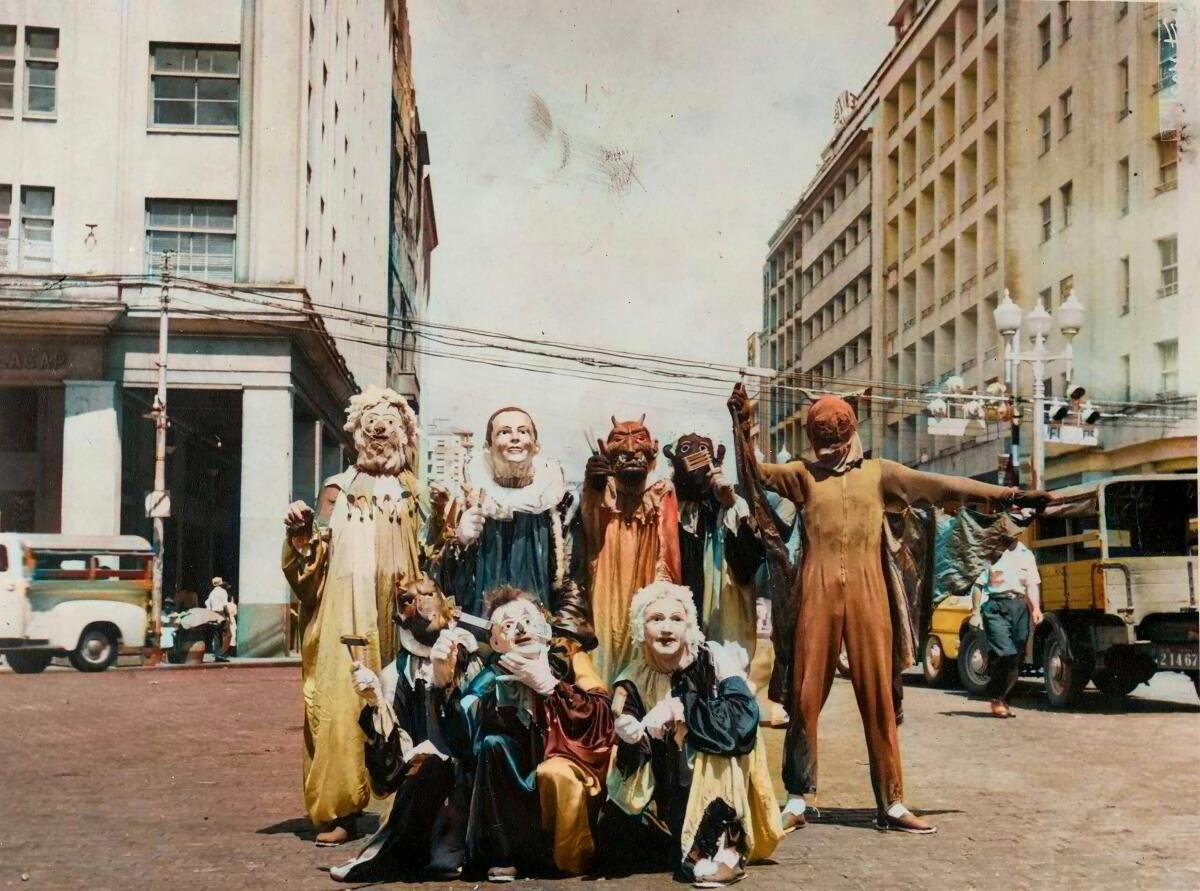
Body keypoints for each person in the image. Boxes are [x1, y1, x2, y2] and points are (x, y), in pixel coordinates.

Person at [728, 384, 1051, 835]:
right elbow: (753, 475)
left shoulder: (879, 473)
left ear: (852, 432)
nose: (832, 448)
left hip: (869, 591)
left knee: (878, 695)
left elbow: (943, 486)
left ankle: (893, 802)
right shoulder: (802, 475)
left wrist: (1009, 497)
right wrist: (741, 424)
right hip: (815, 591)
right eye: (822, 439)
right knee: (804, 696)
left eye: (837, 437)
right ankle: (799, 797)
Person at [282, 386, 426, 847]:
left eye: (389, 422)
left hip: (404, 619)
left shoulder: (417, 493)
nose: (380, 430)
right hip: (347, 617)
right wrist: (302, 537)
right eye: (371, 423)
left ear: (405, 433)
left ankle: (410, 807)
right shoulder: (336, 491)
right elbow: (311, 567)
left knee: (406, 704)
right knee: (344, 709)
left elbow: (437, 555)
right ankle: (340, 809)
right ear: (356, 434)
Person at [596, 581, 782, 887]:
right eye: (656, 619)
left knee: (714, 745)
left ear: (689, 627)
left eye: (676, 619)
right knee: (613, 850)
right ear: (641, 628)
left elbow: (743, 721)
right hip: (669, 794)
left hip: (722, 789)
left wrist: (681, 707)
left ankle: (725, 853)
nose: (666, 629)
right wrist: (630, 737)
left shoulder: (714, 660)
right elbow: (625, 744)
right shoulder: (632, 677)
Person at [443, 586, 614, 882]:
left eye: (527, 619)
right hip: (516, 793)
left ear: (544, 625)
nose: (520, 628)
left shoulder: (568, 655)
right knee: (492, 744)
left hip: (566, 767)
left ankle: (569, 859)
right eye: (508, 626)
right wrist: (442, 680)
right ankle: (503, 852)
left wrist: (551, 686)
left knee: (553, 773)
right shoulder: (493, 673)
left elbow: (601, 713)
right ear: (496, 641)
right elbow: (463, 732)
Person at [332, 578, 483, 882]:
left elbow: (475, 732)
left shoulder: (470, 658)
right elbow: (386, 776)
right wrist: (377, 707)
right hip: (421, 787)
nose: (424, 602)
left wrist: (445, 686)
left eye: (429, 593)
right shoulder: (398, 674)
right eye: (411, 599)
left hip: (468, 782)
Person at [434, 406, 593, 644]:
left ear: (536, 446)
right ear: (488, 447)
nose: (515, 437)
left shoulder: (558, 505)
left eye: (523, 431)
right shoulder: (467, 502)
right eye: (504, 432)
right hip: (479, 639)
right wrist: (459, 542)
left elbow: (572, 581)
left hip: (538, 639)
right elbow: (441, 587)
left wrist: (563, 643)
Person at [581, 415, 682, 683]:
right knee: (601, 655)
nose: (629, 449)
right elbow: (589, 534)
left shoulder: (661, 493)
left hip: (646, 587)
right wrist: (593, 487)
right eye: (619, 442)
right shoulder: (601, 490)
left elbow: (668, 552)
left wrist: (663, 597)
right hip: (604, 589)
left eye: (639, 441)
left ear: (654, 449)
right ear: (604, 449)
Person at [664, 433, 763, 654]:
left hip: (720, 627)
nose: (696, 458)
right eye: (687, 449)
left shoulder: (732, 506)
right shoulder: (662, 506)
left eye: (703, 450)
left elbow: (747, 567)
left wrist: (728, 505)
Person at [971, 529, 1041, 718]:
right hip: (996, 606)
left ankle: (1003, 699)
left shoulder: (1026, 555)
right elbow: (978, 585)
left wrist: (1036, 608)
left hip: (1019, 606)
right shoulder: (991, 551)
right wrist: (975, 612)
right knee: (1005, 651)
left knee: (1016, 654)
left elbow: (1032, 584)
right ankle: (996, 698)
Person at [205, 577, 231, 663]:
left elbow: (208, 604)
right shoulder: (223, 592)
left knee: (216, 635)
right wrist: (228, 615)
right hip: (221, 613)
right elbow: (224, 605)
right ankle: (221, 654)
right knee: (227, 634)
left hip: (213, 614)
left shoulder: (212, 593)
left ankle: (217, 654)